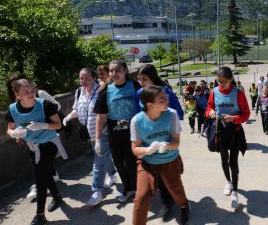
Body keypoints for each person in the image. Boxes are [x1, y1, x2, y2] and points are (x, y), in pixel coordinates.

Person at [131, 86, 190, 225]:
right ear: (150, 105)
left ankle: (184, 207)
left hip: (169, 160)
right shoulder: (137, 120)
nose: (167, 100)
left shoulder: (171, 114)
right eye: (162, 99)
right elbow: (135, 149)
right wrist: (147, 150)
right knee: (141, 198)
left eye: (166, 97)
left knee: (175, 189)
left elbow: (176, 142)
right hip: (147, 162)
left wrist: (166, 146)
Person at [6, 79, 64, 225]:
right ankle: (57, 196)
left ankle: (40, 216)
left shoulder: (45, 105)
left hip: (48, 144)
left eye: (32, 90)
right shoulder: (12, 109)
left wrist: (43, 125)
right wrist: (13, 133)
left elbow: (58, 124)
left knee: (39, 178)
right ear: (17, 94)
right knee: (44, 172)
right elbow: (9, 128)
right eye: (26, 92)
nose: (31, 93)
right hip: (32, 146)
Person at [63, 68, 117, 206]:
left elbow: (109, 111)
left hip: (102, 132)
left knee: (98, 160)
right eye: (81, 78)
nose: (83, 81)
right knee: (102, 154)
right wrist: (69, 116)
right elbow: (77, 109)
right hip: (89, 133)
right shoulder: (79, 91)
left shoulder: (102, 90)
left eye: (86, 78)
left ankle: (97, 191)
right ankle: (112, 174)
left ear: (94, 78)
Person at [136, 64, 184, 216]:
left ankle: (178, 203)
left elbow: (179, 113)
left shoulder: (165, 92)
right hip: (148, 142)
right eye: (139, 79)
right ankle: (167, 201)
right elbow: (138, 115)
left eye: (144, 79)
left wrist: (163, 119)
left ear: (153, 78)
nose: (141, 82)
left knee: (171, 177)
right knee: (155, 175)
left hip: (166, 140)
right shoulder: (139, 93)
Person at [94, 59, 140, 203]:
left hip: (134, 130)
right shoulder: (106, 90)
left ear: (125, 70)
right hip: (115, 131)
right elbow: (101, 116)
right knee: (119, 163)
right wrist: (97, 139)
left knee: (132, 163)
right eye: (112, 71)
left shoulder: (134, 85)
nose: (114, 73)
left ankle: (138, 189)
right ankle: (128, 189)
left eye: (118, 70)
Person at [206, 66, 250, 208]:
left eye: (224, 81)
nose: (221, 84)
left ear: (231, 79)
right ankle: (228, 182)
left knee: (233, 161)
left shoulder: (239, 94)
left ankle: (235, 191)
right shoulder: (214, 92)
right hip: (220, 132)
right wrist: (211, 112)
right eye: (219, 81)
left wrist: (234, 118)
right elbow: (208, 108)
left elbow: (246, 114)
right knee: (224, 158)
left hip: (235, 132)